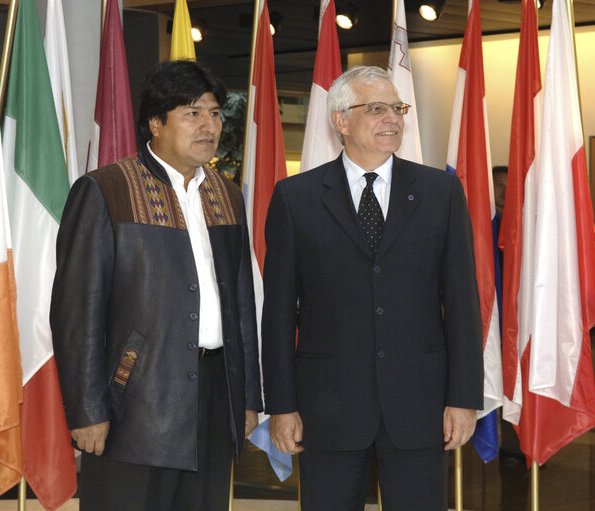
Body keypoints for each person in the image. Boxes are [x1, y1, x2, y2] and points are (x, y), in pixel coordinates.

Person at [262, 65, 484, 510]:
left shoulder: (440, 192)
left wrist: (463, 398)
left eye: (397, 109)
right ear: (341, 121)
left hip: (420, 407)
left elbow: (462, 303)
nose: (393, 119)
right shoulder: (296, 197)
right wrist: (281, 407)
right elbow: (279, 314)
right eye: (377, 108)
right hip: (327, 408)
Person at [50, 60, 262, 511]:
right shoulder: (106, 190)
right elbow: (76, 313)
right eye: (192, 113)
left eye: (215, 113)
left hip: (214, 395)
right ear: (155, 123)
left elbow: (241, 303)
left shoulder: (226, 195)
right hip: (135, 402)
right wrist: (88, 411)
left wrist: (246, 397)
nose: (209, 126)